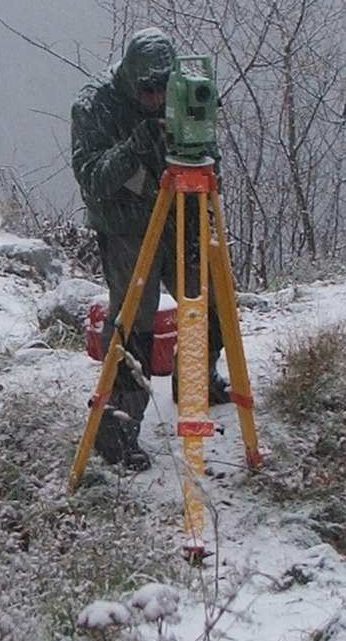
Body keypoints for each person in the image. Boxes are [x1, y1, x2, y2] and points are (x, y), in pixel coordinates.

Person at [70, 27, 228, 469]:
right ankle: (117, 429)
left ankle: (197, 380)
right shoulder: (95, 107)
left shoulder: (183, 94)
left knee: (209, 297)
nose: (159, 99)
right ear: (131, 82)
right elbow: (93, 179)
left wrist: (193, 131)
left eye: (165, 89)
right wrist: (137, 145)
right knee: (134, 322)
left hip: (182, 216)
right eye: (149, 90)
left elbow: (207, 152)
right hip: (126, 230)